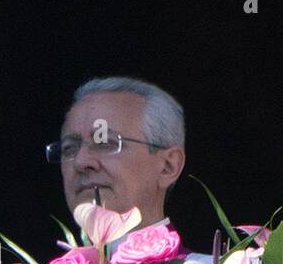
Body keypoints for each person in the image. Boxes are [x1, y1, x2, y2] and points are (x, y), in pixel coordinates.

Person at [47, 76, 187, 231]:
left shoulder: (216, 257)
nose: (80, 161)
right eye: (69, 148)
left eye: (105, 144)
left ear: (168, 166)